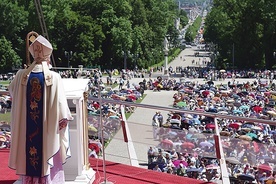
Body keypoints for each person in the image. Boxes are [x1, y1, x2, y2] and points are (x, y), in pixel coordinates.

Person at [8, 35, 73, 183]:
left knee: (29, 153)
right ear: (48, 57)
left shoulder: (20, 75)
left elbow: (12, 92)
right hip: (46, 134)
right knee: (47, 152)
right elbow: (63, 114)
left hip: (27, 133)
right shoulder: (54, 77)